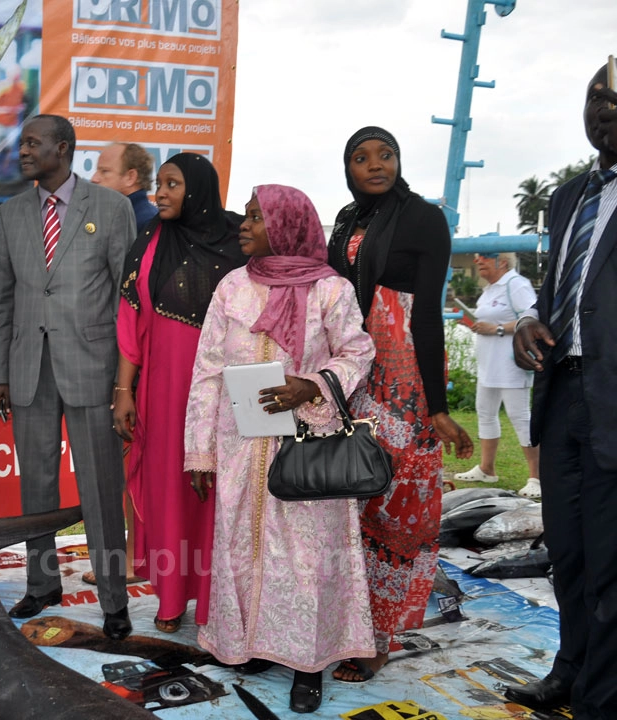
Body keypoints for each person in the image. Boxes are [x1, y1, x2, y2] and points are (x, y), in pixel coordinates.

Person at [185, 184, 376, 713]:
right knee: (241, 546)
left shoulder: (330, 290)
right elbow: (207, 371)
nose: (242, 226)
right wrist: (198, 451)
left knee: (305, 559)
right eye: (244, 217)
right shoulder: (231, 287)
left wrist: (312, 384)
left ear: (285, 225)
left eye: (254, 218)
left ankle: (308, 663)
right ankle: (249, 645)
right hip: (240, 441)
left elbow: (358, 350)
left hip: (306, 442)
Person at [326, 126, 473, 682]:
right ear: (348, 169)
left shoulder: (423, 218)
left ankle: (380, 635)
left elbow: (429, 312)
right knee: (349, 498)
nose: (375, 165)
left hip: (404, 377)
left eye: (385, 154)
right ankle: (347, 622)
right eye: (362, 158)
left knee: (394, 501)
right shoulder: (346, 220)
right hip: (354, 371)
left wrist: (434, 405)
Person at [0, 114, 136, 640]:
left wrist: (125, 381)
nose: (24, 150)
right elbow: (1, 297)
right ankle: (42, 583)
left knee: (100, 486)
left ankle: (114, 598)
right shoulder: (10, 213)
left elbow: (127, 297)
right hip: (29, 369)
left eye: (33, 143)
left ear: (64, 148)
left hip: (92, 369)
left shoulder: (112, 209)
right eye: (22, 142)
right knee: (38, 486)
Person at [509, 66, 617, 716]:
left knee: (610, 564)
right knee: (568, 554)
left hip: (614, 406)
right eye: (596, 99)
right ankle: (571, 671)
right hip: (562, 399)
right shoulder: (568, 194)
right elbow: (559, 291)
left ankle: (604, 699)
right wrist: (528, 322)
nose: (605, 111)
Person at [111, 152, 245, 633]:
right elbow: (130, 319)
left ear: (199, 191)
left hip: (222, 388)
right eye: (159, 184)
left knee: (215, 491)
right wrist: (123, 389)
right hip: (163, 389)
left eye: (173, 184)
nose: (160, 193)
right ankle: (172, 598)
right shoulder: (148, 239)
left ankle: (216, 599)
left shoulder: (236, 243)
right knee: (169, 485)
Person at [84, 140, 157, 589]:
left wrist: (123, 382)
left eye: (104, 171)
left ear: (131, 179)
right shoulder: (128, 218)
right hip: (125, 363)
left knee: (131, 463)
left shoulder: (139, 223)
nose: (93, 179)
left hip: (136, 365)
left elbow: (133, 306)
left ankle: (133, 557)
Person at [454, 252, 540, 497]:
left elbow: (531, 318)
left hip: (512, 364)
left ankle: (536, 477)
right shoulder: (490, 288)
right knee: (485, 413)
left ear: (501, 261)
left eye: (483, 257)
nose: (477, 261)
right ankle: (486, 469)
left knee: (520, 417)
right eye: (476, 256)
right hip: (488, 365)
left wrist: (498, 329)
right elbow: (489, 321)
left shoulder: (517, 284)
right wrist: (476, 325)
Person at [91, 142, 158, 230]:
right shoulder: (107, 215)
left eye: (104, 171)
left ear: (130, 177)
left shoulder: (149, 222)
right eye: (97, 171)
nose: (94, 178)